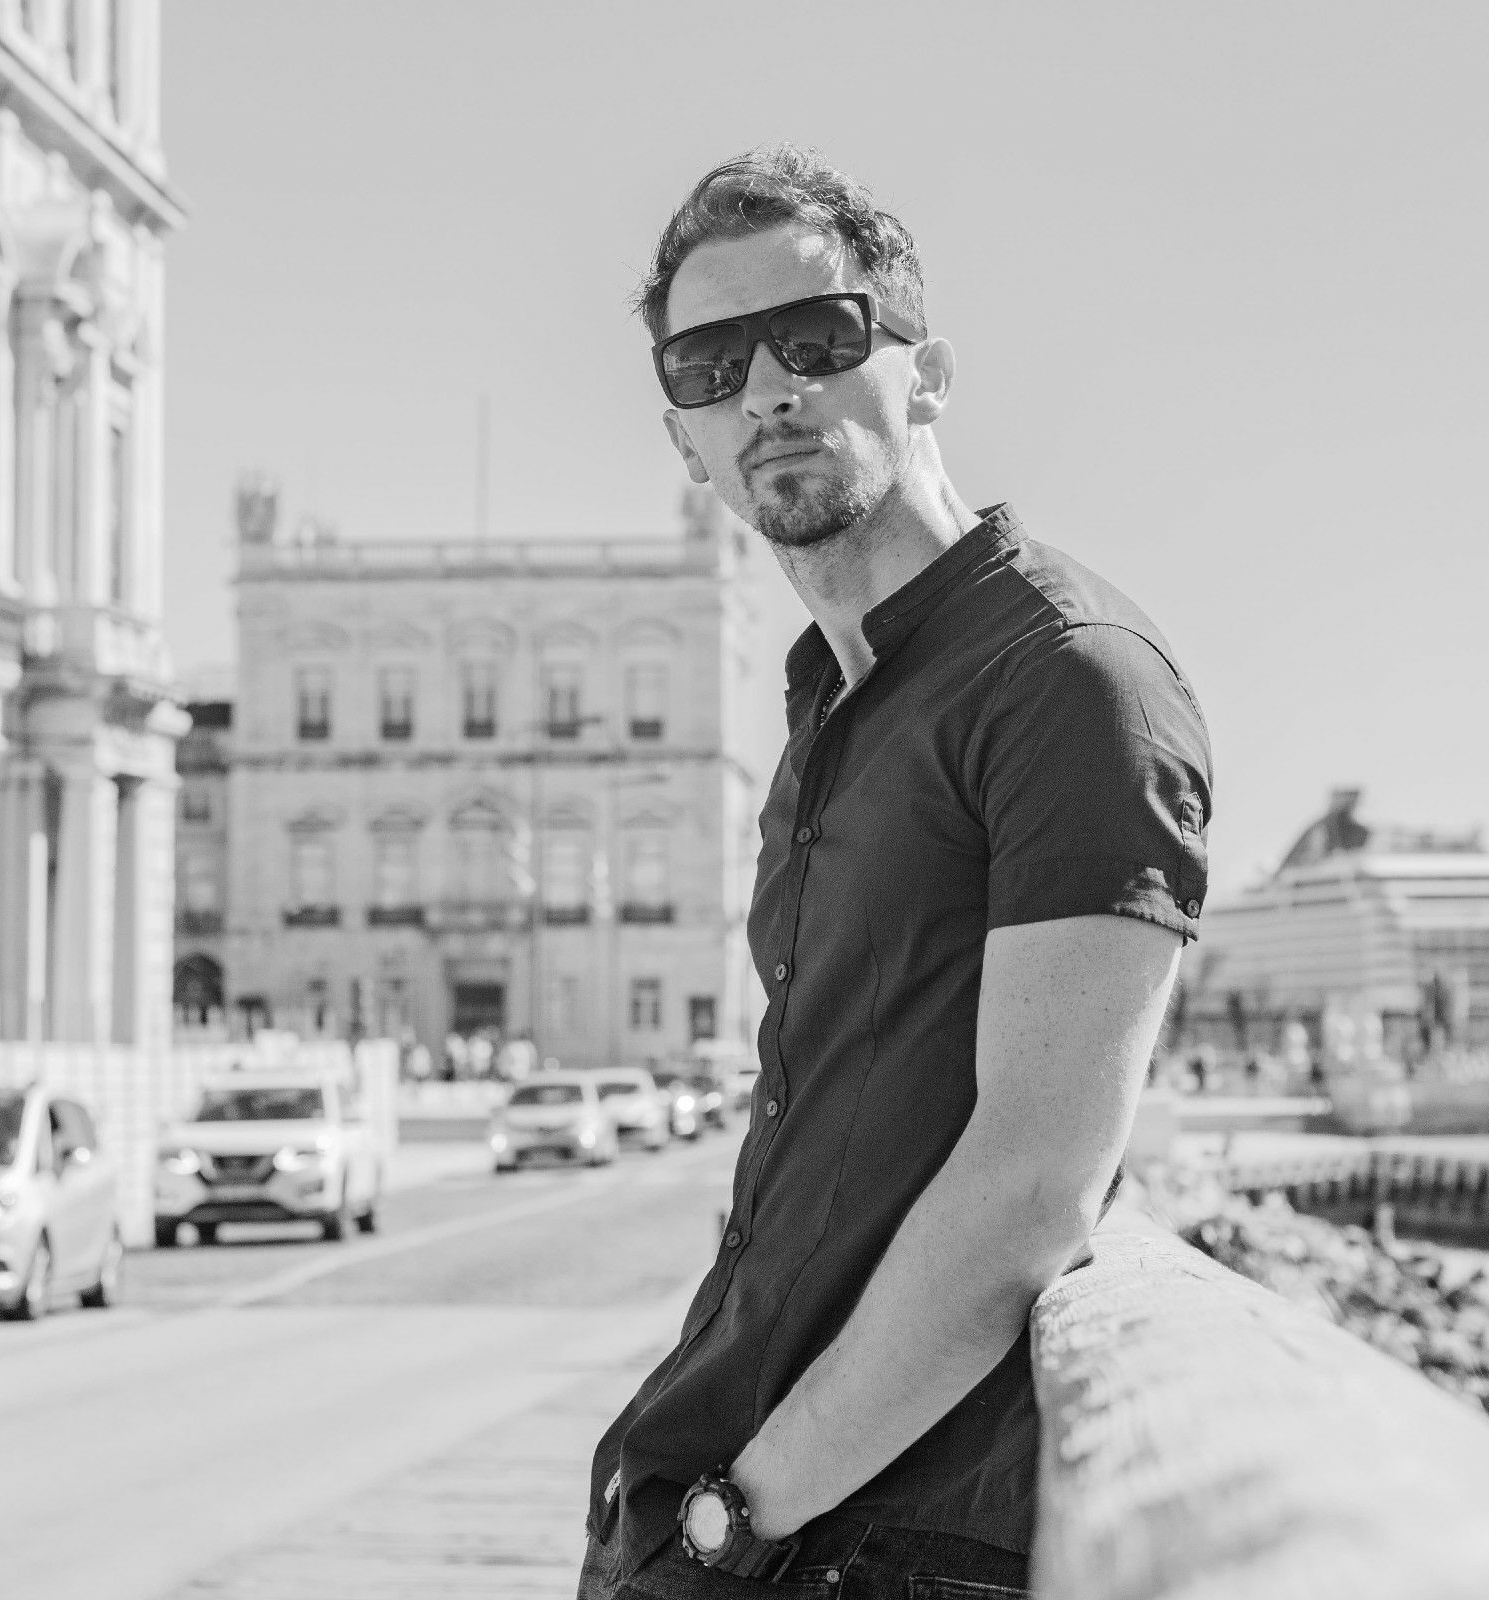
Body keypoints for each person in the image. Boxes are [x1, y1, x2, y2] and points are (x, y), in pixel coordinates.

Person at [581, 145, 1212, 1600]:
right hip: (721, 1502)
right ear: (684, 438)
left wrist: (740, 1519)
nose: (765, 392)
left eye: (815, 338)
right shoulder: (828, 708)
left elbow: (1031, 1188)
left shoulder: (1067, 681)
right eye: (710, 366)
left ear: (925, 375)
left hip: (856, 1541)